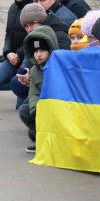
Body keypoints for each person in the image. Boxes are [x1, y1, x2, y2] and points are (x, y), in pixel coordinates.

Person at [11, 3, 72, 107]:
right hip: (41, 75)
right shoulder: (37, 34)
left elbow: (61, 71)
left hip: (58, 85)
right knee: (17, 80)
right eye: (26, 26)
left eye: (32, 24)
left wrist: (31, 78)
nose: (29, 29)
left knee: (17, 85)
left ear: (42, 20)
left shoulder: (59, 36)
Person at [19, 24, 58, 152]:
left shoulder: (59, 67)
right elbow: (34, 93)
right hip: (44, 106)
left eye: (42, 50)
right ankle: (42, 139)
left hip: (59, 107)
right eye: (35, 51)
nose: (39, 54)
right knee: (25, 110)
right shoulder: (35, 71)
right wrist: (35, 109)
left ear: (51, 49)